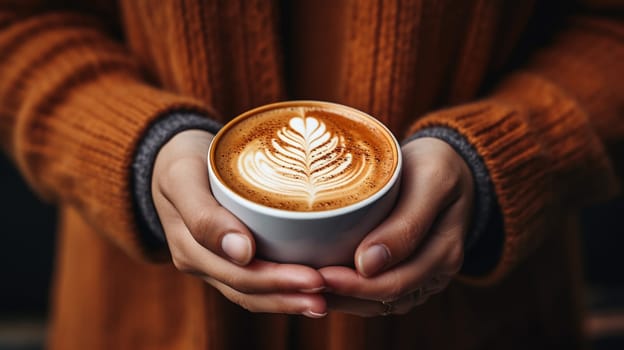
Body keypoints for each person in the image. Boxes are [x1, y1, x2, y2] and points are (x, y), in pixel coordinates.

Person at [0, 0, 622, 349]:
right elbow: (20, 24)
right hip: (145, 322)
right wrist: (142, 151)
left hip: (478, 326)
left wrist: (499, 160)